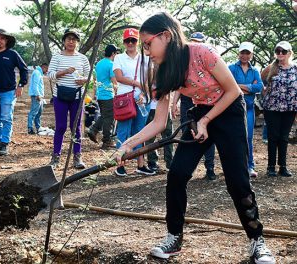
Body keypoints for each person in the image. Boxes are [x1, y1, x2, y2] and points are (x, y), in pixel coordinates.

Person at [116, 12, 275, 263]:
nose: (146, 51)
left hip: (228, 111)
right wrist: (126, 146)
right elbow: (158, 122)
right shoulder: (164, 70)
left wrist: (206, 121)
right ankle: (174, 236)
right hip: (200, 113)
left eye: (148, 44)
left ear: (166, 36)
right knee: (177, 173)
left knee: (237, 181)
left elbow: (233, 90)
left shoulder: (202, 52)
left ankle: (257, 240)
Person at [171, 32, 217, 180]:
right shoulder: (181, 62)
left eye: (198, 42)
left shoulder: (207, 57)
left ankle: (210, 168)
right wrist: (174, 103)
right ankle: (188, 169)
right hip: (187, 105)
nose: (195, 45)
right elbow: (179, 87)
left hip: (207, 105)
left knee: (207, 137)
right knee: (189, 136)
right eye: (193, 42)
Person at [112, 28, 154, 177]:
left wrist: (143, 92)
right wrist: (137, 84)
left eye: (133, 40)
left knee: (140, 133)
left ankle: (141, 165)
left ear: (138, 41)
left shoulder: (146, 57)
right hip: (125, 100)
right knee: (123, 132)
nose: (130, 43)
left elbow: (150, 77)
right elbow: (119, 77)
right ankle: (120, 164)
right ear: (124, 42)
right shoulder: (119, 58)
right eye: (127, 40)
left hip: (142, 99)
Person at [47, 29, 90, 169]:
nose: (71, 41)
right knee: (60, 127)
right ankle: (55, 157)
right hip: (60, 96)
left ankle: (77, 157)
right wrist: (64, 72)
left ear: (77, 42)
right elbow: (50, 75)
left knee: (76, 127)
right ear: (64, 41)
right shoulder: (57, 57)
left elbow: (90, 77)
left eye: (74, 39)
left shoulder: (83, 58)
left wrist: (83, 80)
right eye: (68, 39)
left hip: (77, 96)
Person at [0, 28, 28, 156]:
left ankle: (5, 143)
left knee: (6, 118)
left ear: (6, 41)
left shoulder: (13, 54)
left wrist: (21, 85)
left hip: (8, 92)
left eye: (2, 38)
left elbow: (24, 69)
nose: (0, 41)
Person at [260, 41, 296, 177]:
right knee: (273, 136)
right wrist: (264, 92)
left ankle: (283, 167)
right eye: (278, 51)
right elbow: (259, 81)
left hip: (290, 108)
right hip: (272, 108)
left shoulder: (295, 68)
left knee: (284, 137)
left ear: (289, 53)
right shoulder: (271, 67)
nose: (280, 53)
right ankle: (270, 167)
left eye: (283, 51)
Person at [228, 42, 264, 178]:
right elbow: (226, 84)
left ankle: (249, 166)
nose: (244, 55)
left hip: (249, 108)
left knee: (248, 137)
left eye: (247, 53)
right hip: (233, 108)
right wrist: (249, 86)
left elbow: (259, 87)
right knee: (233, 137)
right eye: (242, 52)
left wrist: (238, 86)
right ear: (239, 53)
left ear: (251, 55)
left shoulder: (255, 71)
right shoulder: (231, 68)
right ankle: (234, 166)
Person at [87, 44, 119, 150]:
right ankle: (107, 141)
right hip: (108, 94)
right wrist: (117, 93)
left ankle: (93, 129)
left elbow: (96, 80)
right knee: (109, 118)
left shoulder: (99, 63)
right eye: (116, 53)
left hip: (100, 94)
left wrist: (95, 94)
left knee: (105, 115)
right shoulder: (111, 64)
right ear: (113, 53)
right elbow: (114, 82)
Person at [146, 67, 173, 173]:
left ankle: (154, 162)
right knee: (167, 137)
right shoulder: (164, 78)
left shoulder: (150, 79)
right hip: (157, 109)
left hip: (158, 109)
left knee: (154, 138)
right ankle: (167, 162)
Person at [27, 63, 48, 135]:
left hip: (40, 96)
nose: (47, 71)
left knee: (39, 113)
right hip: (37, 96)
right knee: (33, 112)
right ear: (44, 67)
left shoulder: (39, 73)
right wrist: (37, 95)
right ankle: (30, 129)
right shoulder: (37, 73)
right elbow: (35, 84)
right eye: (47, 69)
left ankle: (38, 127)